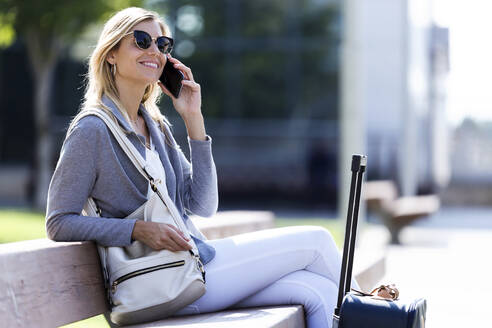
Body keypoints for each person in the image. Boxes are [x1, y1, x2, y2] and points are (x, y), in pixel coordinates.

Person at [45, 7, 356, 328]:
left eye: (162, 44)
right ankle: (380, 306)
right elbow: (59, 222)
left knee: (317, 291)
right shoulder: (92, 129)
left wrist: (194, 118)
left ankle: (374, 308)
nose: (154, 51)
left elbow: (203, 205)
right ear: (110, 54)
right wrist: (137, 229)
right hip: (161, 283)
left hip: (194, 266)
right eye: (141, 41)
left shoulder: (156, 126)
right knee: (316, 241)